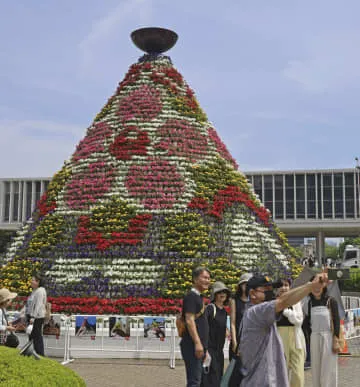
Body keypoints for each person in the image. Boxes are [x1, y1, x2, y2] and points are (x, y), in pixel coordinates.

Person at [239, 272, 328, 387]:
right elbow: (282, 301)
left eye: (271, 289)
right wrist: (311, 285)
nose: (270, 292)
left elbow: (283, 300)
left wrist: (311, 285)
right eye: (265, 289)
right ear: (252, 293)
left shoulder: (257, 313)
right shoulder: (255, 312)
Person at [303, 283, 340, 387]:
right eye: (314, 286)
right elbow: (307, 324)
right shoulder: (309, 303)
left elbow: (336, 321)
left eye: (319, 286)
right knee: (316, 367)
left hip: (328, 337)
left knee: (328, 367)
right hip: (314, 337)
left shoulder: (331, 301)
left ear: (324, 287)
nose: (317, 288)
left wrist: (336, 339)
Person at [180, 266, 211, 387]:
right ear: (195, 279)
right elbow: (189, 320)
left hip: (199, 346)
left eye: (209, 278)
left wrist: (204, 347)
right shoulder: (191, 297)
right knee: (194, 381)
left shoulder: (198, 297)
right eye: (204, 277)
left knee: (197, 380)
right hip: (192, 345)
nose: (207, 281)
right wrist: (198, 343)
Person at [276, 279, 306, 387]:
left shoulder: (295, 301)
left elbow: (299, 320)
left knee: (298, 372)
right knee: (281, 370)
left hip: (296, 336)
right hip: (279, 336)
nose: (284, 288)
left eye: (286, 285)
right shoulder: (274, 302)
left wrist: (286, 311)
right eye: (281, 285)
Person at [201, 281, 230, 387]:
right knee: (210, 379)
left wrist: (226, 330)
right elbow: (204, 328)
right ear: (215, 295)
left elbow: (220, 325)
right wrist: (205, 349)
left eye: (224, 292)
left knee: (218, 378)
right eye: (219, 292)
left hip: (219, 351)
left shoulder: (224, 311)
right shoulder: (210, 308)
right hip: (210, 349)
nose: (222, 294)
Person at [229, 273, 252, 360]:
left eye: (248, 284)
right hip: (239, 338)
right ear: (240, 286)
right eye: (244, 284)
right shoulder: (234, 301)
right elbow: (233, 323)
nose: (246, 286)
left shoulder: (254, 301)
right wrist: (235, 342)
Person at [25, 273, 47, 356]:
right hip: (31, 316)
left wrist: (33, 317)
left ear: (38, 282)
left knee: (37, 336)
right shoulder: (34, 291)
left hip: (37, 317)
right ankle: (31, 352)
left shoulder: (40, 291)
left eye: (33, 280)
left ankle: (40, 354)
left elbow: (38, 305)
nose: (31, 281)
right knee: (31, 336)